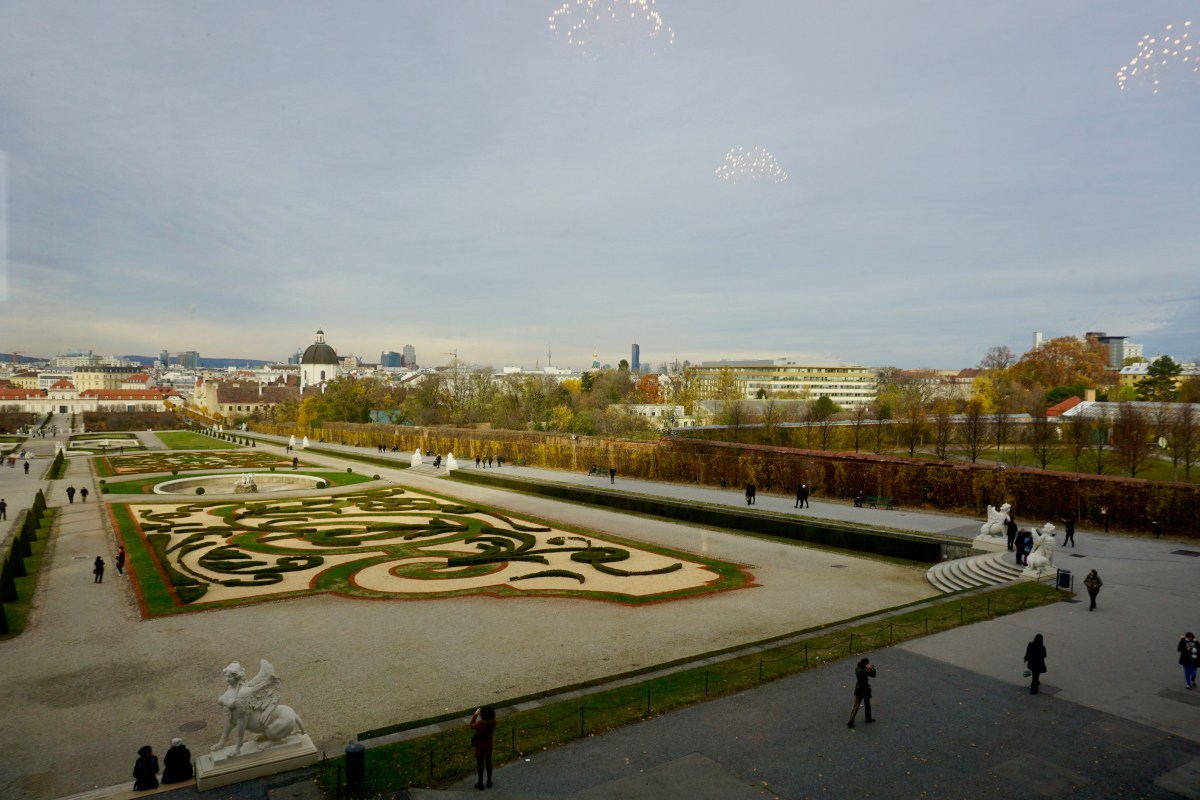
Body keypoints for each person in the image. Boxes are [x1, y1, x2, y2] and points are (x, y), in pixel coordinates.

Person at [469, 705, 497, 790]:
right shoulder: (494, 722)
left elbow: (471, 725)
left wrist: (475, 715)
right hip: (489, 745)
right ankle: (489, 782)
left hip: (480, 746)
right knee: (488, 763)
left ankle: (480, 784)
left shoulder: (480, 724)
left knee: (480, 765)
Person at [847, 657, 876, 727]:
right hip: (865, 688)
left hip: (859, 688)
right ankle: (868, 718)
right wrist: (871, 668)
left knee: (856, 705)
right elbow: (872, 675)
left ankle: (851, 720)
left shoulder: (857, 668)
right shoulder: (864, 671)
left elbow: (870, 674)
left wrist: (869, 669)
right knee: (867, 704)